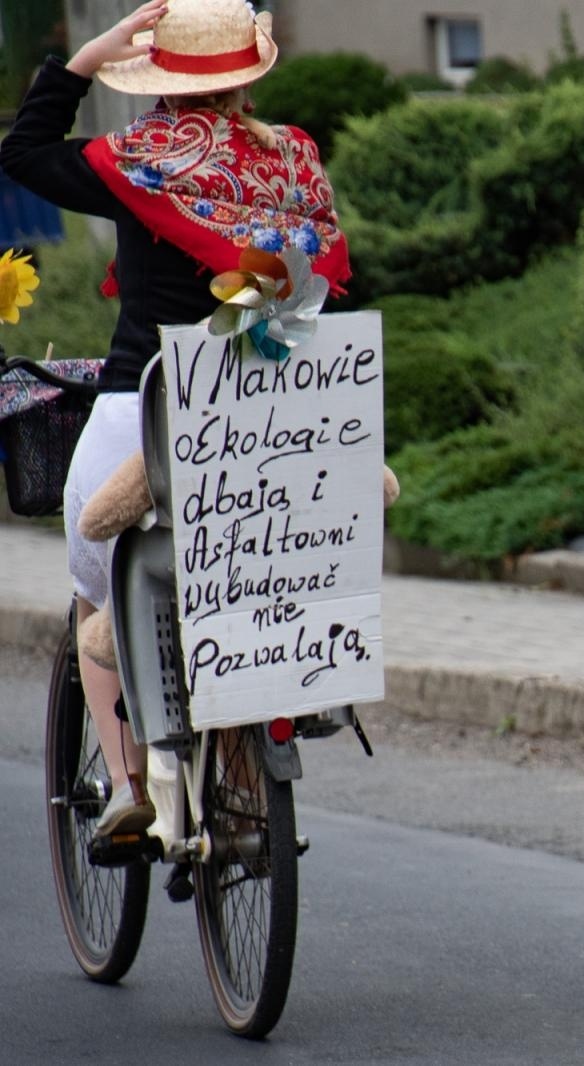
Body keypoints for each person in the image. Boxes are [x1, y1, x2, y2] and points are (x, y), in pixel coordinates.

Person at [0, 0, 350, 836]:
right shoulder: (293, 159)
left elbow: (22, 152)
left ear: (157, 81)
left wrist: (83, 59)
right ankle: (249, 778)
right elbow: (327, 287)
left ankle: (127, 787)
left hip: (145, 407)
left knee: (95, 584)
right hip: (271, 414)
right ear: (246, 80)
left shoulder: (140, 158)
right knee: (256, 569)